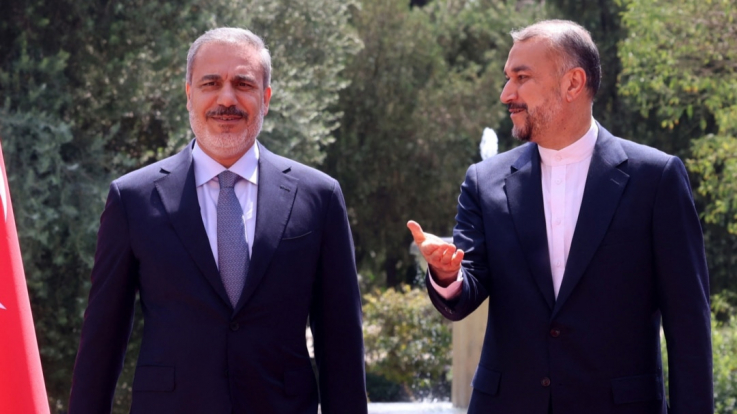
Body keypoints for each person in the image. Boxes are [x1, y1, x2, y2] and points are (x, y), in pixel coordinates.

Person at [408, 20, 712, 414]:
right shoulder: (483, 181)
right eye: (507, 78)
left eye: (522, 78)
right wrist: (447, 275)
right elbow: (464, 296)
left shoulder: (656, 179)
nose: (506, 94)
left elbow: (689, 325)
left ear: (573, 83)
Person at [69, 28, 367, 414]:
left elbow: (341, 342)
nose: (227, 98)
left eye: (243, 84)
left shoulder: (320, 197)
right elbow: (102, 341)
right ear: (188, 94)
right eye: (211, 83)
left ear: (266, 98)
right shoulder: (133, 200)